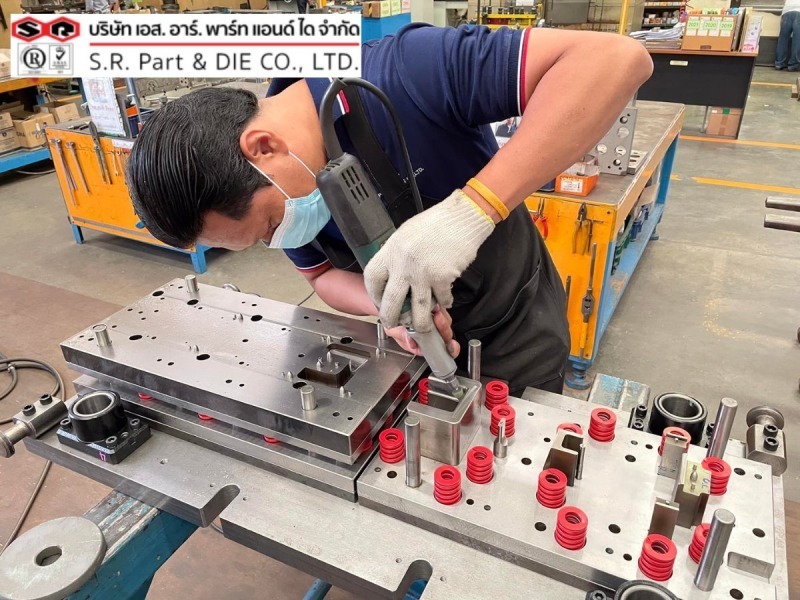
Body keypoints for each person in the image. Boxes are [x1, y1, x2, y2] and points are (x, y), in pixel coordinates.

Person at [127, 24, 652, 396]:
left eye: (268, 226)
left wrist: (473, 211)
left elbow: (616, 60)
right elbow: (323, 276)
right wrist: (390, 307)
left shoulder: (404, 72)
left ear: (264, 148)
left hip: (514, 321)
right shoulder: (277, 185)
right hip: (417, 349)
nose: (276, 239)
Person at [776, 0, 800, 71]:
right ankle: (793, 65)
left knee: (783, 39)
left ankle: (779, 63)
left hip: (786, 11)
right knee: (797, 39)